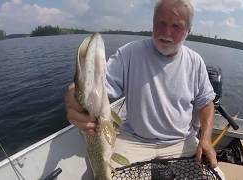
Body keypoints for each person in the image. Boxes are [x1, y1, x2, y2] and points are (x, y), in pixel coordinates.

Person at [65, 0, 225, 178]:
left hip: (181, 141)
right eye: (161, 24)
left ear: (188, 31)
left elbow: (206, 104)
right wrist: (74, 99)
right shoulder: (129, 53)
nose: (166, 33)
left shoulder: (195, 61)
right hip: (134, 140)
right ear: (153, 23)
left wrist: (205, 139)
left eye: (176, 26)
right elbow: (97, 87)